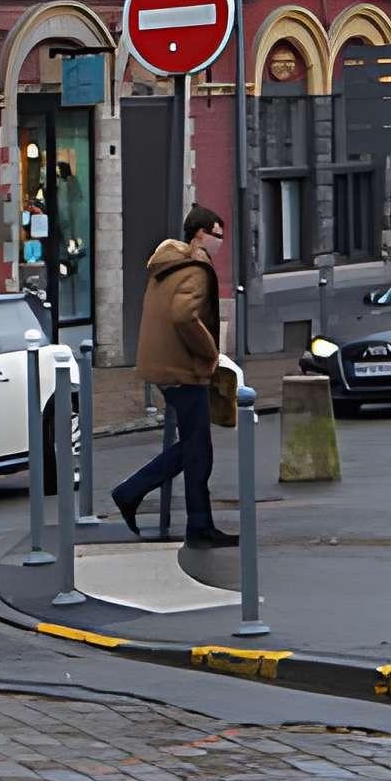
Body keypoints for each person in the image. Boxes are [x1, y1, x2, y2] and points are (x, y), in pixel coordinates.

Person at [114, 204, 234, 547]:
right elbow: (184, 316)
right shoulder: (195, 269)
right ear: (199, 234)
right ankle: (132, 492)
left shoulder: (168, 263)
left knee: (197, 448)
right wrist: (210, 351)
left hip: (164, 365)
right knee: (198, 449)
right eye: (216, 235)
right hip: (184, 369)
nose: (220, 242)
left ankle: (199, 524)